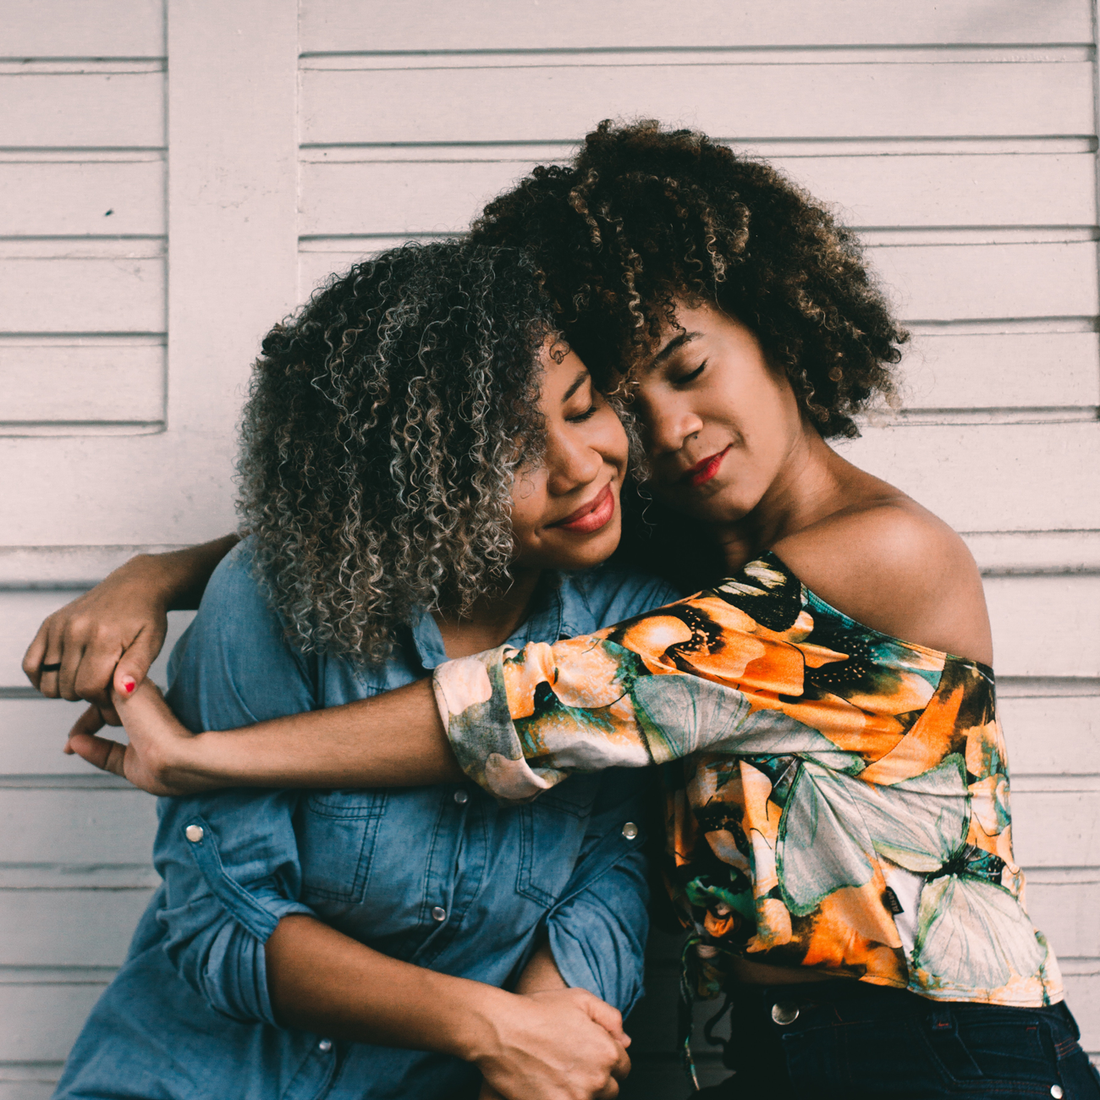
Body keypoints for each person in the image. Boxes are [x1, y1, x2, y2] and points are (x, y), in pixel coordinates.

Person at [29, 121, 1099, 1098]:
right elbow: (384, 522)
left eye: (687, 368)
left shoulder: (882, 554)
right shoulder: (684, 565)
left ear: (771, 315)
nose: (671, 429)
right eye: (628, 400)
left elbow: (552, 706)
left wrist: (210, 761)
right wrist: (160, 572)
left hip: (945, 1050)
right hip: (768, 1058)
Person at [42, 240, 684, 1100]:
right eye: (509, 456)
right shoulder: (274, 605)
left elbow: (612, 868)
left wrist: (551, 1035)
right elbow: (223, 924)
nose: (578, 467)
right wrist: (491, 1028)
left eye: (583, 408)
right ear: (414, 484)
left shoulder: (637, 623)